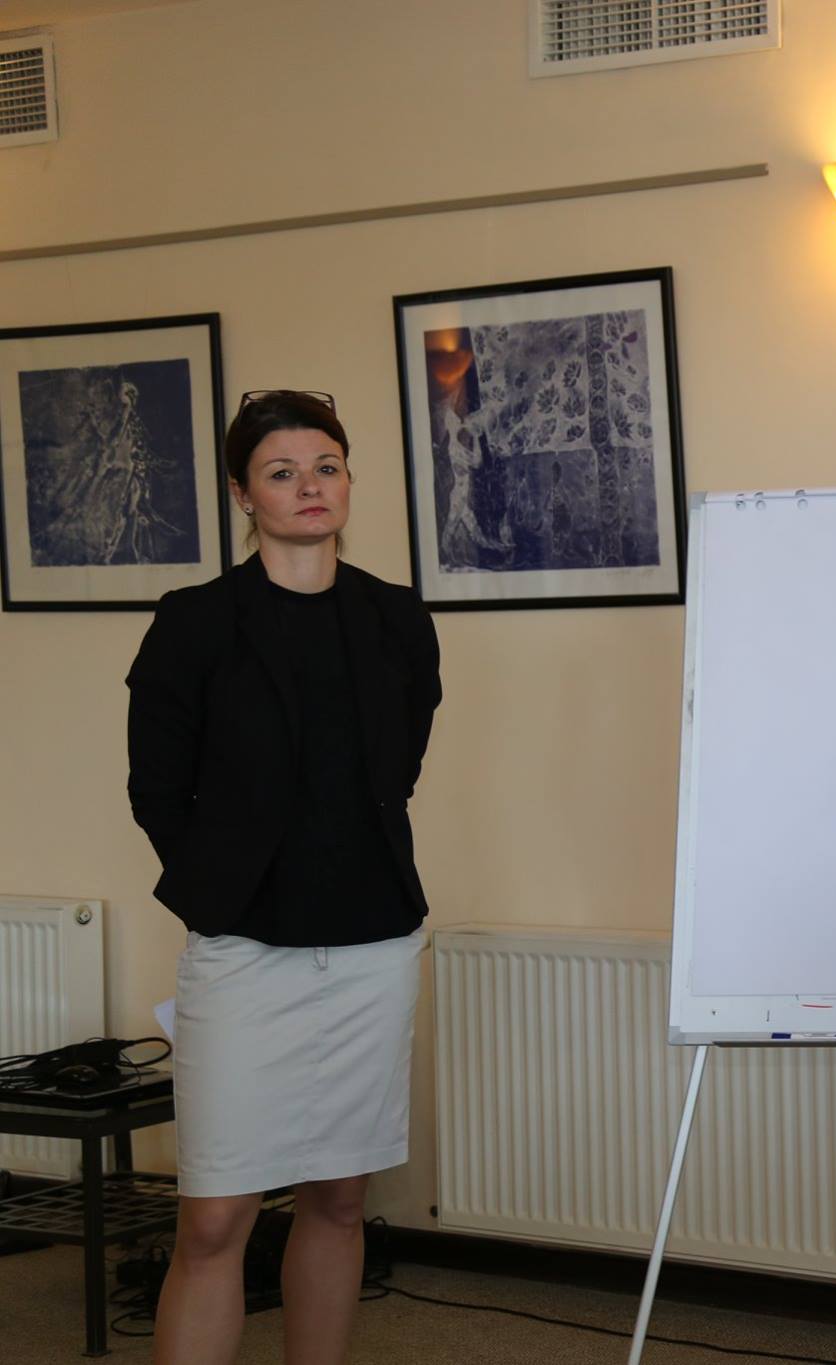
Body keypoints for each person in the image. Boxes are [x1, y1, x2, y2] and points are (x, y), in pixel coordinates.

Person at [126, 389, 441, 1365]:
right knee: (216, 1217)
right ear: (243, 495)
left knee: (339, 1198)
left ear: (348, 479)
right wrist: (225, 884)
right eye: (282, 472)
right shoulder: (196, 622)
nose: (310, 486)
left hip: (372, 946)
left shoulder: (395, 618)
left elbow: (398, 766)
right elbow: (156, 788)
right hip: (244, 950)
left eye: (326, 467)